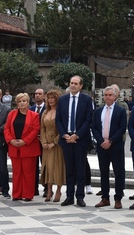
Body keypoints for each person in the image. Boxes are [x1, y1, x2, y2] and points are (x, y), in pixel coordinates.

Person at [55, 76, 94, 207]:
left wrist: (77, 135)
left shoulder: (87, 100)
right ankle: (69, 196)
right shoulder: (62, 100)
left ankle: (80, 196)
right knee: (69, 169)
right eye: (71, 83)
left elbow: (88, 120)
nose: (73, 85)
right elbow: (58, 119)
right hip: (66, 139)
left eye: (76, 84)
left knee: (80, 169)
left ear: (81, 86)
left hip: (80, 140)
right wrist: (64, 134)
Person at [92, 86, 127, 208]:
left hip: (115, 146)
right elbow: (94, 127)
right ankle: (105, 197)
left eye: (110, 95)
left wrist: (110, 140)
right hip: (102, 146)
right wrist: (101, 141)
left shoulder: (120, 111)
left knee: (118, 172)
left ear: (115, 96)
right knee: (104, 172)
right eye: (105, 95)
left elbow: (122, 128)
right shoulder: (98, 111)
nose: (107, 97)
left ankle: (118, 198)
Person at [4, 93, 41, 201]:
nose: (22, 103)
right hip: (14, 147)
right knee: (17, 172)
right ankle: (16, 194)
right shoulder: (11, 114)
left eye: (24, 101)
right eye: (20, 101)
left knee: (28, 172)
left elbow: (35, 130)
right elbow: (7, 129)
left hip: (29, 148)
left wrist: (24, 141)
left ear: (28, 102)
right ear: (17, 103)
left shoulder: (34, 115)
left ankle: (28, 194)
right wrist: (11, 140)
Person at [39, 89, 66, 202]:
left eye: (52, 98)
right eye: (48, 98)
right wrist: (44, 141)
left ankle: (59, 189)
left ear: (57, 99)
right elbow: (42, 128)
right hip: (46, 144)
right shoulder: (45, 112)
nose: (50, 100)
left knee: (58, 166)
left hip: (57, 144)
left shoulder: (60, 112)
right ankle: (49, 190)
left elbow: (62, 129)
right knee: (48, 166)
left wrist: (54, 142)